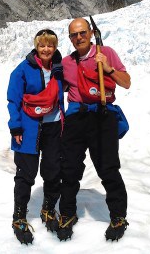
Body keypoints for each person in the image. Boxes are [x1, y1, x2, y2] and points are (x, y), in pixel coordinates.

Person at [57, 18, 131, 242]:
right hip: (76, 118)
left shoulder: (106, 52)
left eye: (82, 33)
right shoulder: (68, 62)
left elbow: (126, 82)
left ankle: (118, 216)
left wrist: (108, 68)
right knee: (69, 168)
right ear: (70, 39)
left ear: (90, 33)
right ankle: (68, 214)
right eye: (73, 35)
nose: (78, 37)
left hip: (102, 114)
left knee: (108, 168)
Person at [7, 29, 64, 245]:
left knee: (53, 170)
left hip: (54, 127)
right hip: (28, 129)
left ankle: (48, 209)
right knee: (25, 174)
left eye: (50, 45)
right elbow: (13, 100)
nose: (46, 49)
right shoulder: (22, 70)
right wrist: (15, 127)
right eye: (42, 45)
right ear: (36, 47)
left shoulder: (60, 69)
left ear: (55, 47)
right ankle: (19, 217)